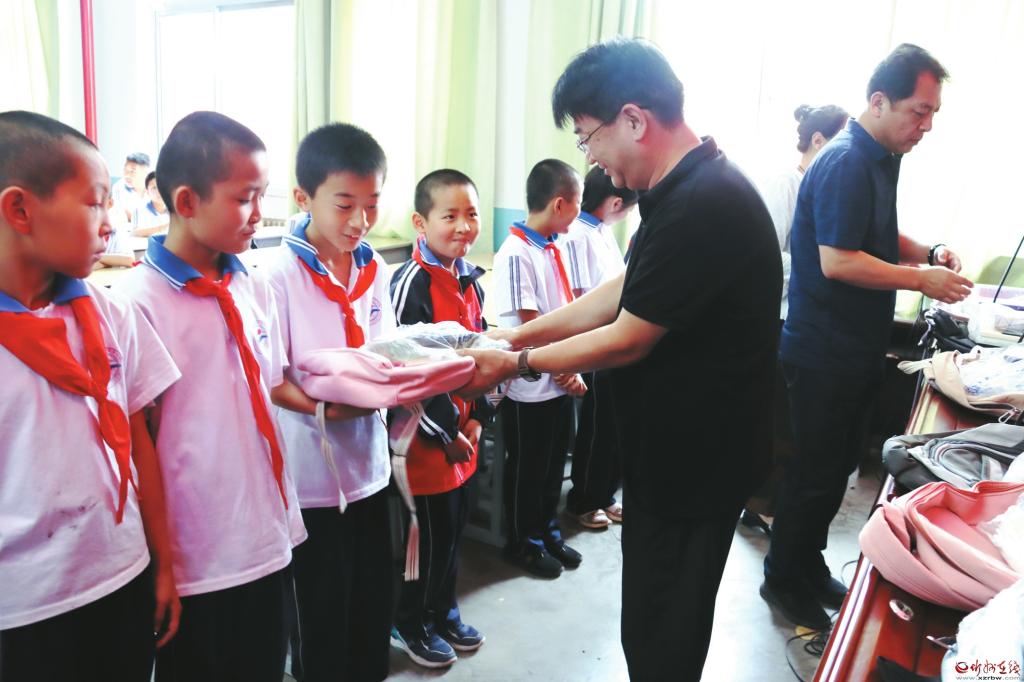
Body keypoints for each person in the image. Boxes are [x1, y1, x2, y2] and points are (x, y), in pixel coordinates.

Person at [457, 38, 781, 681]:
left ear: (633, 119)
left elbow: (628, 335)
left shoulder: (703, 203)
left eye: (588, 136)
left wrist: (516, 364)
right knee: (653, 619)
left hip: (697, 465)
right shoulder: (685, 188)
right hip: (675, 457)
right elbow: (622, 291)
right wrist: (514, 337)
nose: (591, 156)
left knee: (664, 628)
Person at [761, 44, 973, 631]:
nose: (925, 126)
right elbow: (838, 260)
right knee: (813, 473)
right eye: (918, 111)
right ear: (879, 101)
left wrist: (927, 251)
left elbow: (873, 233)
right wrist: (920, 278)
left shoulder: (881, 157)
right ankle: (782, 578)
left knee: (836, 471)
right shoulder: (847, 160)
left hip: (853, 347)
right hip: (823, 350)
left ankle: (806, 565)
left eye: (932, 114)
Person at [115, 111, 307, 682]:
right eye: (245, 198)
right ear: (186, 201)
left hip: (266, 536)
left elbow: (263, 394)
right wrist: (161, 565)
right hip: (197, 557)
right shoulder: (136, 305)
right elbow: (138, 447)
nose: (259, 213)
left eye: (263, 195)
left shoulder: (251, 283)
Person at [0, 110, 180, 681]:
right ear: (20, 210)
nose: (110, 224)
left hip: (121, 576)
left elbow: (140, 443)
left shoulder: (111, 313)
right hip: (23, 609)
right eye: (95, 203)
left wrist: (162, 563)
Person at [266, 122, 396, 682]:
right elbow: (272, 380)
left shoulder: (373, 267)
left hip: (370, 466)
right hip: (312, 480)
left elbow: (386, 352)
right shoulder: (276, 276)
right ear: (304, 197)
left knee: (370, 603)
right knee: (321, 611)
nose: (360, 221)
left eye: (371, 204)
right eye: (344, 205)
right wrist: (327, 410)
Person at [388, 169, 488, 668]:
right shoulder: (412, 284)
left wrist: (478, 418)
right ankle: (410, 622)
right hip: (425, 443)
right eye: (450, 216)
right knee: (423, 541)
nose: (463, 226)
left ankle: (444, 610)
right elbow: (408, 371)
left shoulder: (470, 280)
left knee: (452, 534)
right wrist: (448, 432)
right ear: (420, 223)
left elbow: (484, 352)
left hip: (463, 436)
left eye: (471, 214)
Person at [740, 103, 848, 534]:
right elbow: (766, 256)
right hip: (778, 316)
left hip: (803, 318)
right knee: (776, 420)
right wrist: (822, 263)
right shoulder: (785, 184)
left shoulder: (820, 187)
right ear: (817, 141)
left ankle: (772, 503)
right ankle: (759, 504)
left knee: (793, 422)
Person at [492, 158, 587, 579]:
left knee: (551, 466)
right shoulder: (516, 252)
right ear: (560, 204)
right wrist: (564, 364)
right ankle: (522, 542)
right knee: (527, 468)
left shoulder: (553, 246)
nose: (579, 212)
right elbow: (528, 322)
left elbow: (567, 312)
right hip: (529, 384)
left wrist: (570, 365)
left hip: (558, 377)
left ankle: (547, 532)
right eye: (578, 203)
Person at [560, 166, 637, 529]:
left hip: (613, 340)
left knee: (612, 427)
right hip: (594, 341)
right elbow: (580, 297)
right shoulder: (577, 235)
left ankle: (605, 494)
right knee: (596, 429)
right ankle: (584, 498)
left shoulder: (602, 231)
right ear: (616, 203)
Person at [111, 152, 150, 224]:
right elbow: (120, 215)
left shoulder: (155, 187)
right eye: (125, 170)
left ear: (145, 172)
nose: (127, 175)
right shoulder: (118, 187)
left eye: (132, 171)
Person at [130, 171, 170, 237]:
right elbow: (134, 233)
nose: (159, 191)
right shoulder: (139, 210)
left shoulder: (174, 211)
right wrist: (163, 228)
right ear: (147, 192)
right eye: (154, 188)